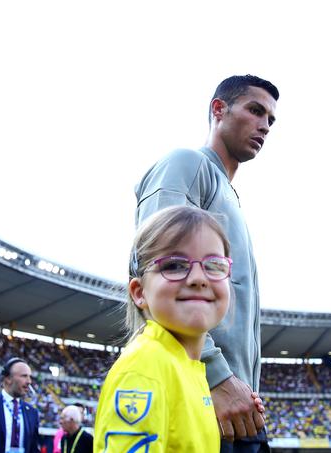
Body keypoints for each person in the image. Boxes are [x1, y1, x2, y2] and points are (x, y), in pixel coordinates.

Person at [134, 74, 279, 452]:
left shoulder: (230, 196)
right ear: (218, 109)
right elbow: (157, 268)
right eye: (255, 110)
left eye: (271, 120)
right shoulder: (187, 164)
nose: (264, 125)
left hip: (238, 404)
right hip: (203, 393)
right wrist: (216, 376)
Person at [95, 206, 249, 451]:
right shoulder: (144, 368)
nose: (199, 278)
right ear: (139, 292)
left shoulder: (193, 371)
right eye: (174, 265)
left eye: (214, 265)